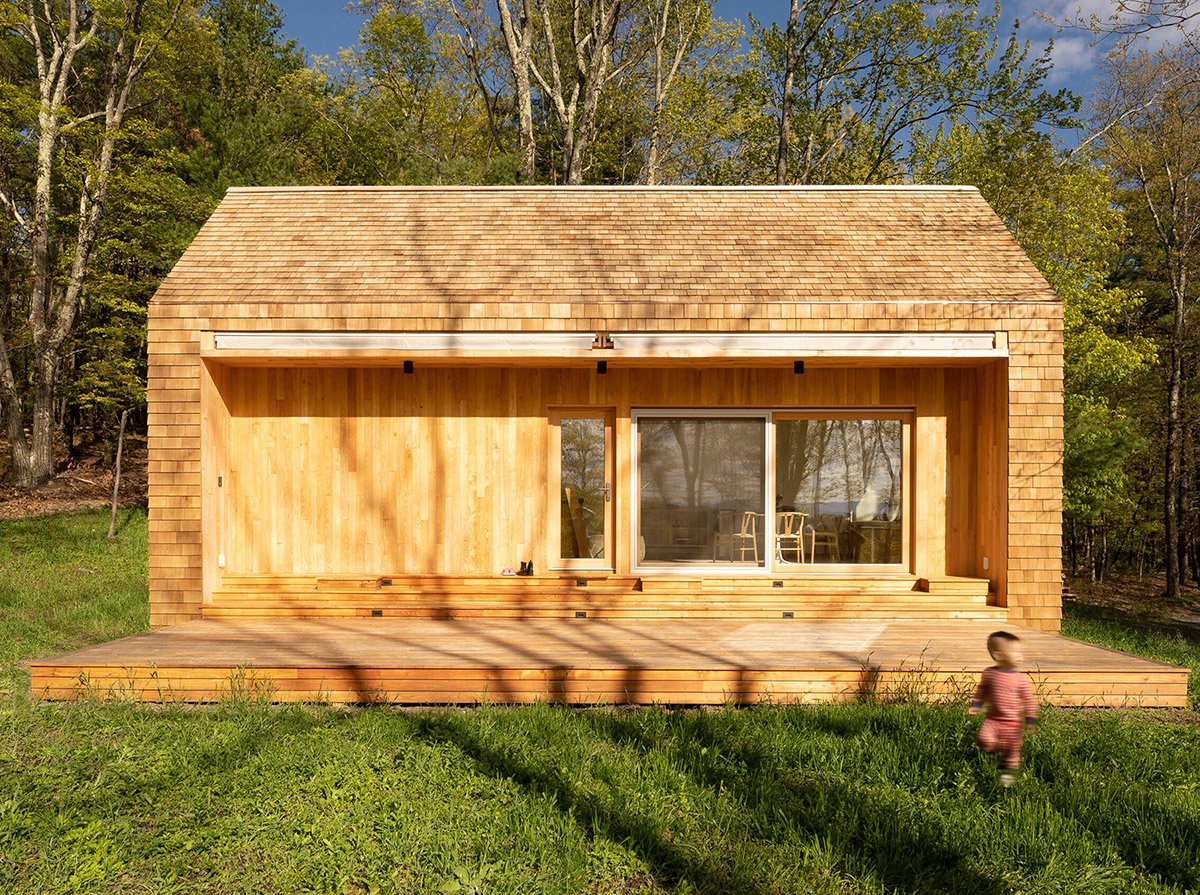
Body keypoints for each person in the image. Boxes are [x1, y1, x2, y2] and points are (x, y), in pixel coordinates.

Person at [970, 630, 1038, 787]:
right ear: (998, 655)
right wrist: (976, 705)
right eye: (1016, 651)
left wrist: (1030, 719)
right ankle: (995, 752)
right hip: (992, 719)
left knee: (1012, 752)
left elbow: (1028, 701)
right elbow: (983, 690)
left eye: (1021, 651)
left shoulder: (1020, 680)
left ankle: (1007, 775)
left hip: (1012, 723)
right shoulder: (989, 674)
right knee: (983, 740)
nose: (1020, 655)